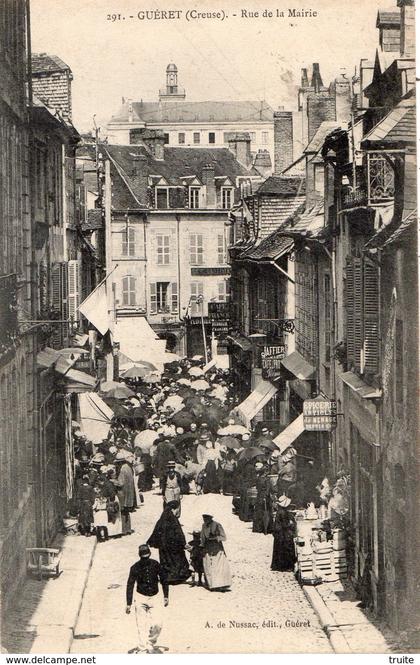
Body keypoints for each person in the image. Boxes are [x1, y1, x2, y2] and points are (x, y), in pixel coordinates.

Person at [126, 544, 169, 654]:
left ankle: (150, 642)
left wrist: (166, 596)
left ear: (149, 554)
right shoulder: (135, 567)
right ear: (140, 556)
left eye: (146, 556)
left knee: (158, 623)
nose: (145, 558)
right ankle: (142, 647)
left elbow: (164, 579)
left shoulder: (156, 564)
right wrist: (128, 603)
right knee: (141, 624)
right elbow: (130, 584)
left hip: (155, 597)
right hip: (140, 598)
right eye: (143, 556)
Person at [147, 500, 191, 584]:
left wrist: (152, 542)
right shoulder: (173, 520)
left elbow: (156, 532)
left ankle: (167, 578)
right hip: (174, 546)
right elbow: (179, 533)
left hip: (163, 547)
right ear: (174, 509)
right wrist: (183, 543)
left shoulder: (162, 519)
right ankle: (176, 578)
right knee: (176, 561)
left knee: (166, 561)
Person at [200, 514, 231, 591]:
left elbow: (224, 537)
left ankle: (220, 584)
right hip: (208, 548)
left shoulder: (217, 525)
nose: (204, 520)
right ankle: (211, 584)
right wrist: (202, 546)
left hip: (217, 549)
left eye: (206, 518)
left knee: (218, 567)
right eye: (204, 518)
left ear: (210, 518)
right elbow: (202, 537)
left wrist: (215, 538)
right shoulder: (204, 525)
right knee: (208, 567)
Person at [271, 495, 297, 572]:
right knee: (287, 547)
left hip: (279, 533)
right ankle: (286, 566)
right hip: (282, 533)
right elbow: (285, 525)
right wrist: (291, 524)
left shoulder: (280, 511)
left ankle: (279, 565)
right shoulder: (283, 513)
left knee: (279, 549)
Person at [115, 453, 136, 535]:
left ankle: (124, 529)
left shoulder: (122, 470)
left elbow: (121, 483)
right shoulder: (129, 467)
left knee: (123, 511)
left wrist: (113, 481)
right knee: (126, 511)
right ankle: (128, 528)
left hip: (124, 493)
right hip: (129, 492)